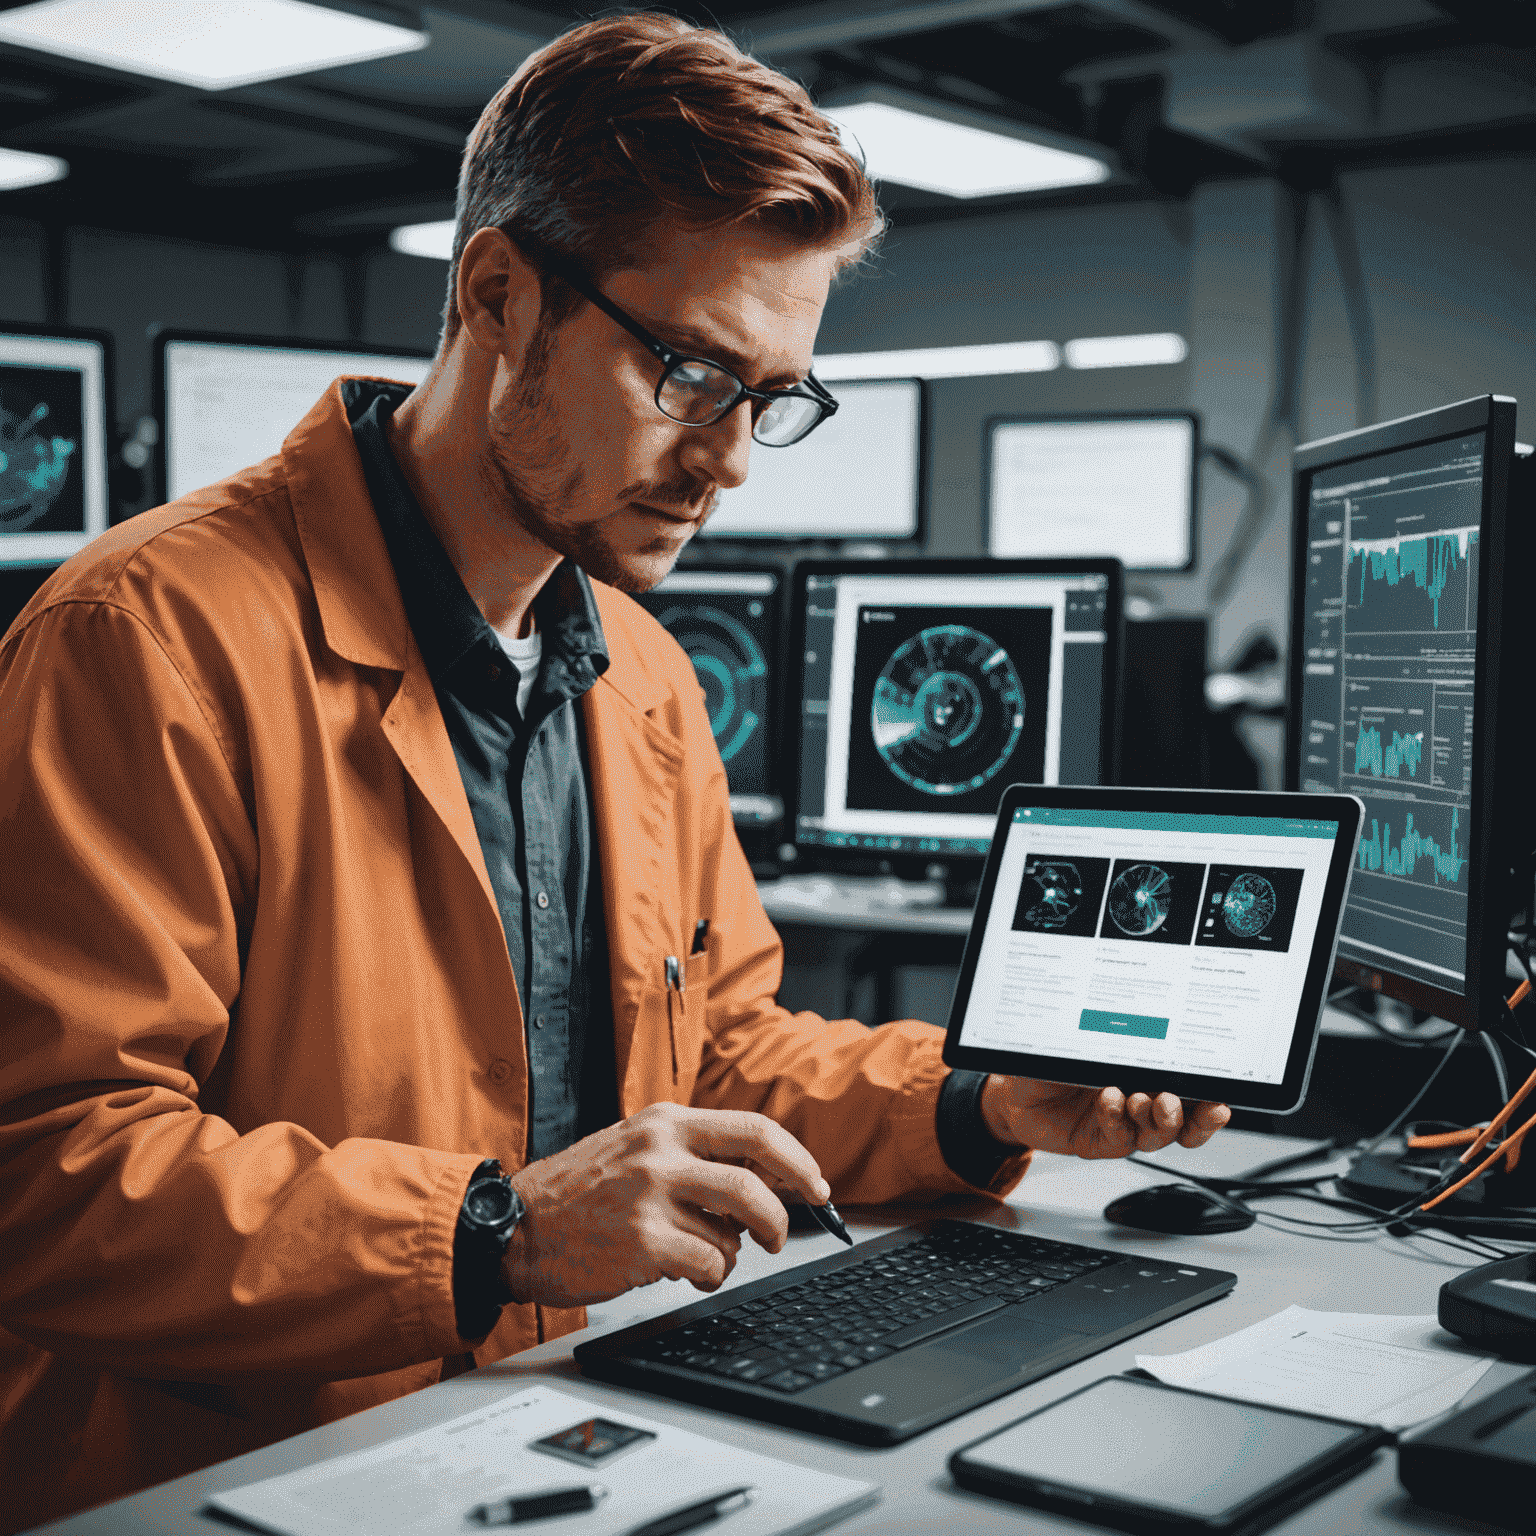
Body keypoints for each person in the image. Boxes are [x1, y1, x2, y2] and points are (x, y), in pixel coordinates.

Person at [0, 13, 1228, 1529]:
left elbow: (712, 1063)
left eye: (771, 397)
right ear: (499, 293)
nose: (732, 463)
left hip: (551, 1432)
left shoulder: (636, 675)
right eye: (694, 374)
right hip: (231, 1478)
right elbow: (49, 1179)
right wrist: (494, 1233)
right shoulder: (150, 640)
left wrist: (976, 1106)